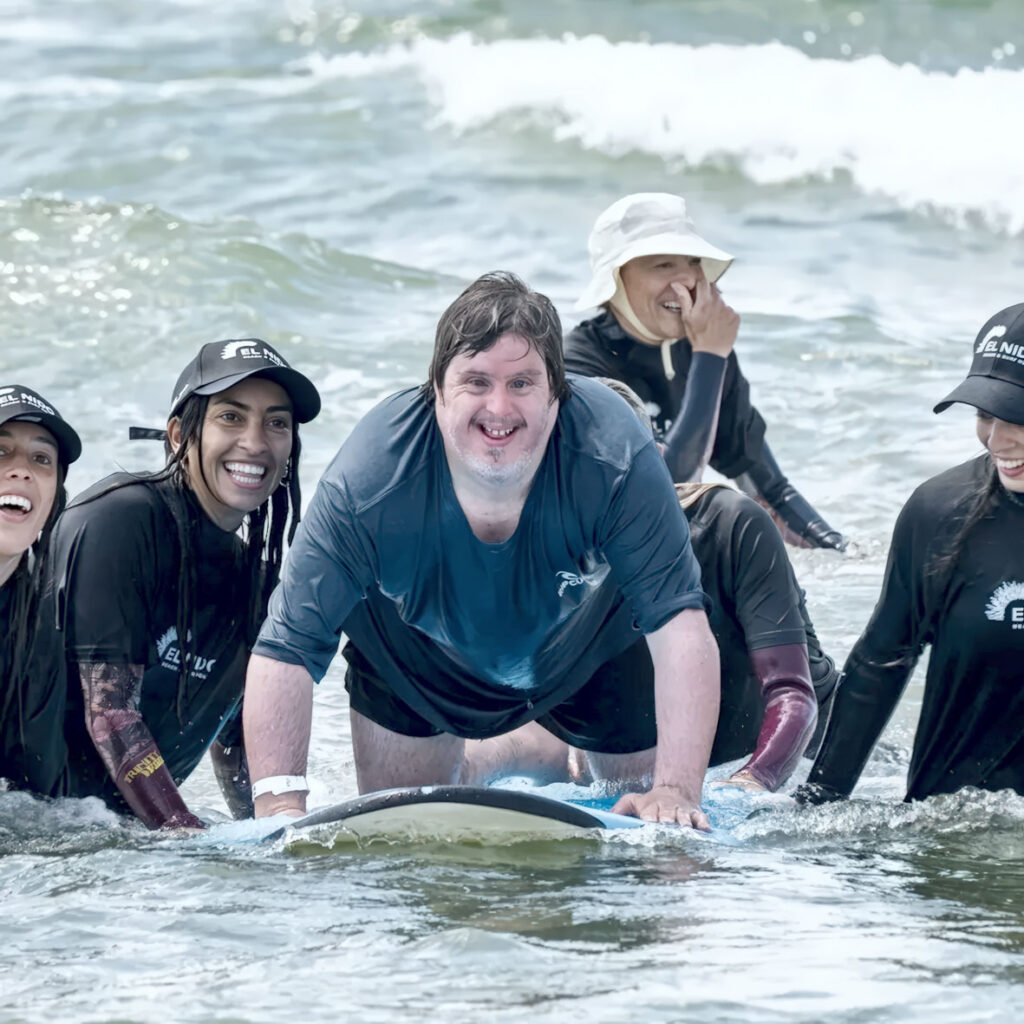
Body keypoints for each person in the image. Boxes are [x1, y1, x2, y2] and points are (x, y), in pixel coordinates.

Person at [244, 271, 721, 828]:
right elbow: (287, 649)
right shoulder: (369, 480)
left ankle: (554, 748)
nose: (499, 408)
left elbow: (680, 624)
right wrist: (278, 809)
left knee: (650, 838)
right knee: (410, 841)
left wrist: (677, 790)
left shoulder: (615, 456)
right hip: (416, 660)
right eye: (476, 382)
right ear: (438, 393)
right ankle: (529, 750)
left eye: (522, 383)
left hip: (589, 651)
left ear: (556, 395)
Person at [53, 340, 320, 829]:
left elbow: (236, 744)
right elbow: (109, 711)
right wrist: (180, 829)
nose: (256, 443)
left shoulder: (259, 586)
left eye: (276, 423)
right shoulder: (118, 522)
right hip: (32, 828)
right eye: (231, 418)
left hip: (122, 842)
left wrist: (266, 839)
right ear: (179, 434)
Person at [798, 303, 1024, 805]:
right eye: (987, 413)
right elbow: (880, 663)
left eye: (1019, 415)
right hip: (948, 833)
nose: (998, 439)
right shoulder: (940, 512)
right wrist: (815, 802)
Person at [565, 192, 846, 551]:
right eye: (663, 264)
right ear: (615, 280)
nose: (686, 278)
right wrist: (711, 355)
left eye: (694, 261)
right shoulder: (580, 368)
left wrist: (841, 552)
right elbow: (664, 491)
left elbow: (769, 489)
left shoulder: (700, 350)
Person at [601, 377, 837, 790]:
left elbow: (794, 698)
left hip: (807, 761)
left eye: (613, 471)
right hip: (669, 763)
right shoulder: (541, 540)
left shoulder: (729, 526)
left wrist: (750, 782)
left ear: (656, 465)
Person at [0, 385, 81, 796]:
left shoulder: (44, 622)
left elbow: (39, 793)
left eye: (41, 459)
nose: (21, 471)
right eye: (1, 452)